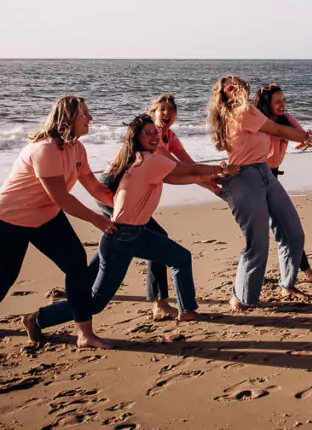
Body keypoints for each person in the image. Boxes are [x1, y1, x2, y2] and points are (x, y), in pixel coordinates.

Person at [25, 115, 232, 345]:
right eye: (147, 133)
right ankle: (38, 318)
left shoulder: (144, 160)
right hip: (121, 239)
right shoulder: (147, 161)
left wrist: (213, 174)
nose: (154, 136)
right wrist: (218, 168)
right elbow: (187, 171)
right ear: (137, 138)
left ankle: (188, 311)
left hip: (138, 234)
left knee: (181, 258)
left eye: (155, 132)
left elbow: (178, 176)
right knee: (94, 302)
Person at [0, 96, 118, 349]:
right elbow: (61, 198)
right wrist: (96, 219)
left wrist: (122, 206)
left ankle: (85, 334)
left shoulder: (77, 149)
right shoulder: (45, 149)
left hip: (45, 218)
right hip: (7, 219)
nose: (91, 119)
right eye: (85, 115)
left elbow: (93, 186)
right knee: (4, 276)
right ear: (70, 119)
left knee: (76, 265)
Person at [89, 93, 222, 321]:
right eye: (162, 109)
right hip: (110, 189)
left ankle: (84, 278)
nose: (167, 113)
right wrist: (213, 182)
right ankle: (160, 303)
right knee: (134, 237)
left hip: (123, 191)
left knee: (118, 239)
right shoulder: (153, 141)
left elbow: (189, 164)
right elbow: (179, 169)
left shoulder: (170, 136)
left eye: (171, 109)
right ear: (153, 113)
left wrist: (212, 185)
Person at [207, 75, 312, 311]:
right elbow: (277, 129)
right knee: (258, 244)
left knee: (293, 232)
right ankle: (240, 297)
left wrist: (311, 138)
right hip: (243, 179)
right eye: (228, 86)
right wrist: (311, 138)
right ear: (223, 93)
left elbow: (283, 128)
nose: (234, 88)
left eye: (237, 84)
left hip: (265, 172)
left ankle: (287, 284)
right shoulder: (241, 111)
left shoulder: (248, 110)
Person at [254, 83, 312, 286]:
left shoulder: (287, 119)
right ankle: (261, 276)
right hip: (254, 178)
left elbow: (302, 137)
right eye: (278, 102)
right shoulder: (259, 122)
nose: (282, 105)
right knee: (265, 231)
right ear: (266, 103)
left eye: (284, 101)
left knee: (285, 228)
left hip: (272, 178)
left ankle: (302, 273)